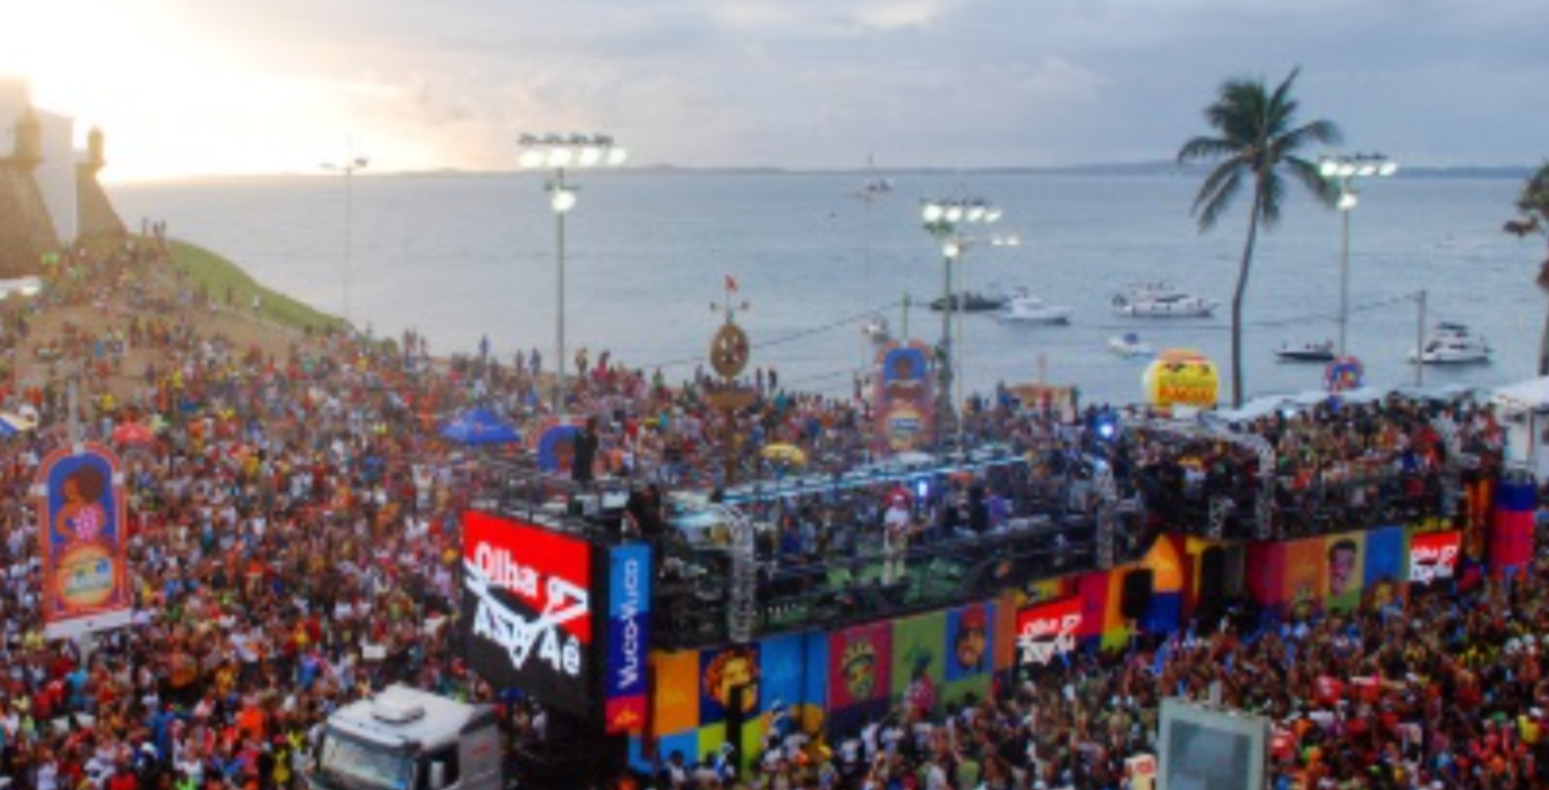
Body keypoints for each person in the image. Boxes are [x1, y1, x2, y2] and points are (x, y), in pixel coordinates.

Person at [573, 417, 599, 485]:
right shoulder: (593, 435)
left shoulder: (579, 432)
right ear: (594, 425)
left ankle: (578, 479)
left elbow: (575, 444)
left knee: (578, 473)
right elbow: (595, 447)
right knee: (586, 474)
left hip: (579, 458)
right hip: (586, 458)